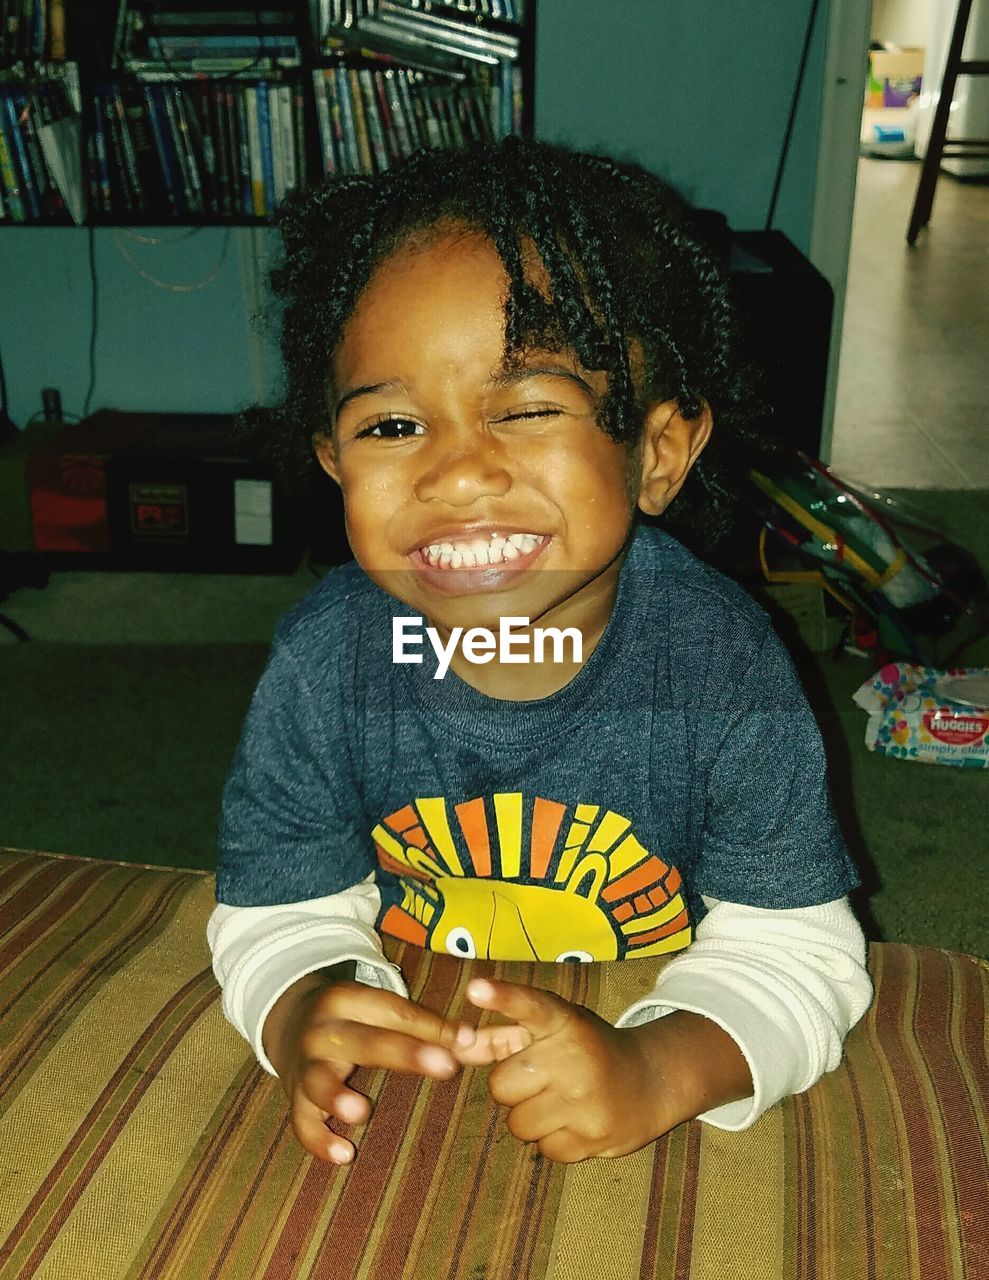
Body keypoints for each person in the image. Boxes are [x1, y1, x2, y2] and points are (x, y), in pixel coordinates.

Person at [208, 137, 872, 1169]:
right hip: (429, 1071)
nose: (457, 472)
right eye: (390, 425)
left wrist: (657, 1068)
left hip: (662, 1030)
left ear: (654, 452)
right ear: (331, 463)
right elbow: (276, 904)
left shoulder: (720, 667)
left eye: (524, 408)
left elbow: (798, 953)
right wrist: (300, 1006)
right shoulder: (324, 660)